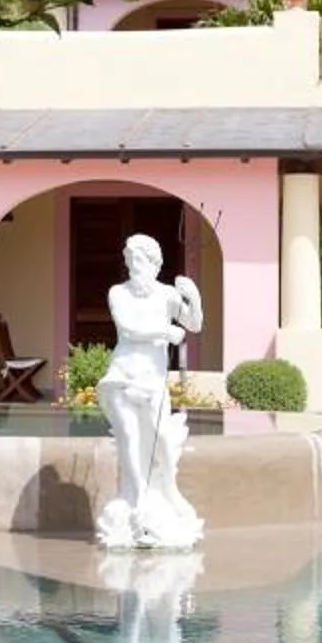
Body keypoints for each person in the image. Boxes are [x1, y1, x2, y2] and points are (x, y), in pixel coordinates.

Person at [96, 232, 205, 548]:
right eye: (129, 260)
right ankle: (139, 499)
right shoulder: (118, 293)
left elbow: (194, 325)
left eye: (139, 261)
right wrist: (165, 331)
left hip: (153, 379)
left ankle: (167, 489)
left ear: (155, 264)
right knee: (129, 437)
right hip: (122, 375)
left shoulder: (167, 295)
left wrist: (194, 299)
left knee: (162, 438)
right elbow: (128, 329)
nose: (133, 266)